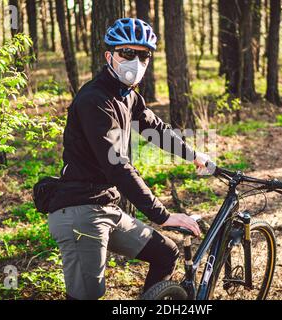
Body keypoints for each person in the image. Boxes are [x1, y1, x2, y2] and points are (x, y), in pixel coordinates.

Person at [47, 17, 211, 300]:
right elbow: (117, 165)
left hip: (106, 207)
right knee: (87, 296)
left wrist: (194, 155)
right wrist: (164, 215)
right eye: (127, 53)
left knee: (165, 253)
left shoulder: (127, 96)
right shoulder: (94, 100)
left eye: (143, 55)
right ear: (110, 56)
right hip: (79, 211)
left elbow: (156, 130)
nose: (136, 61)